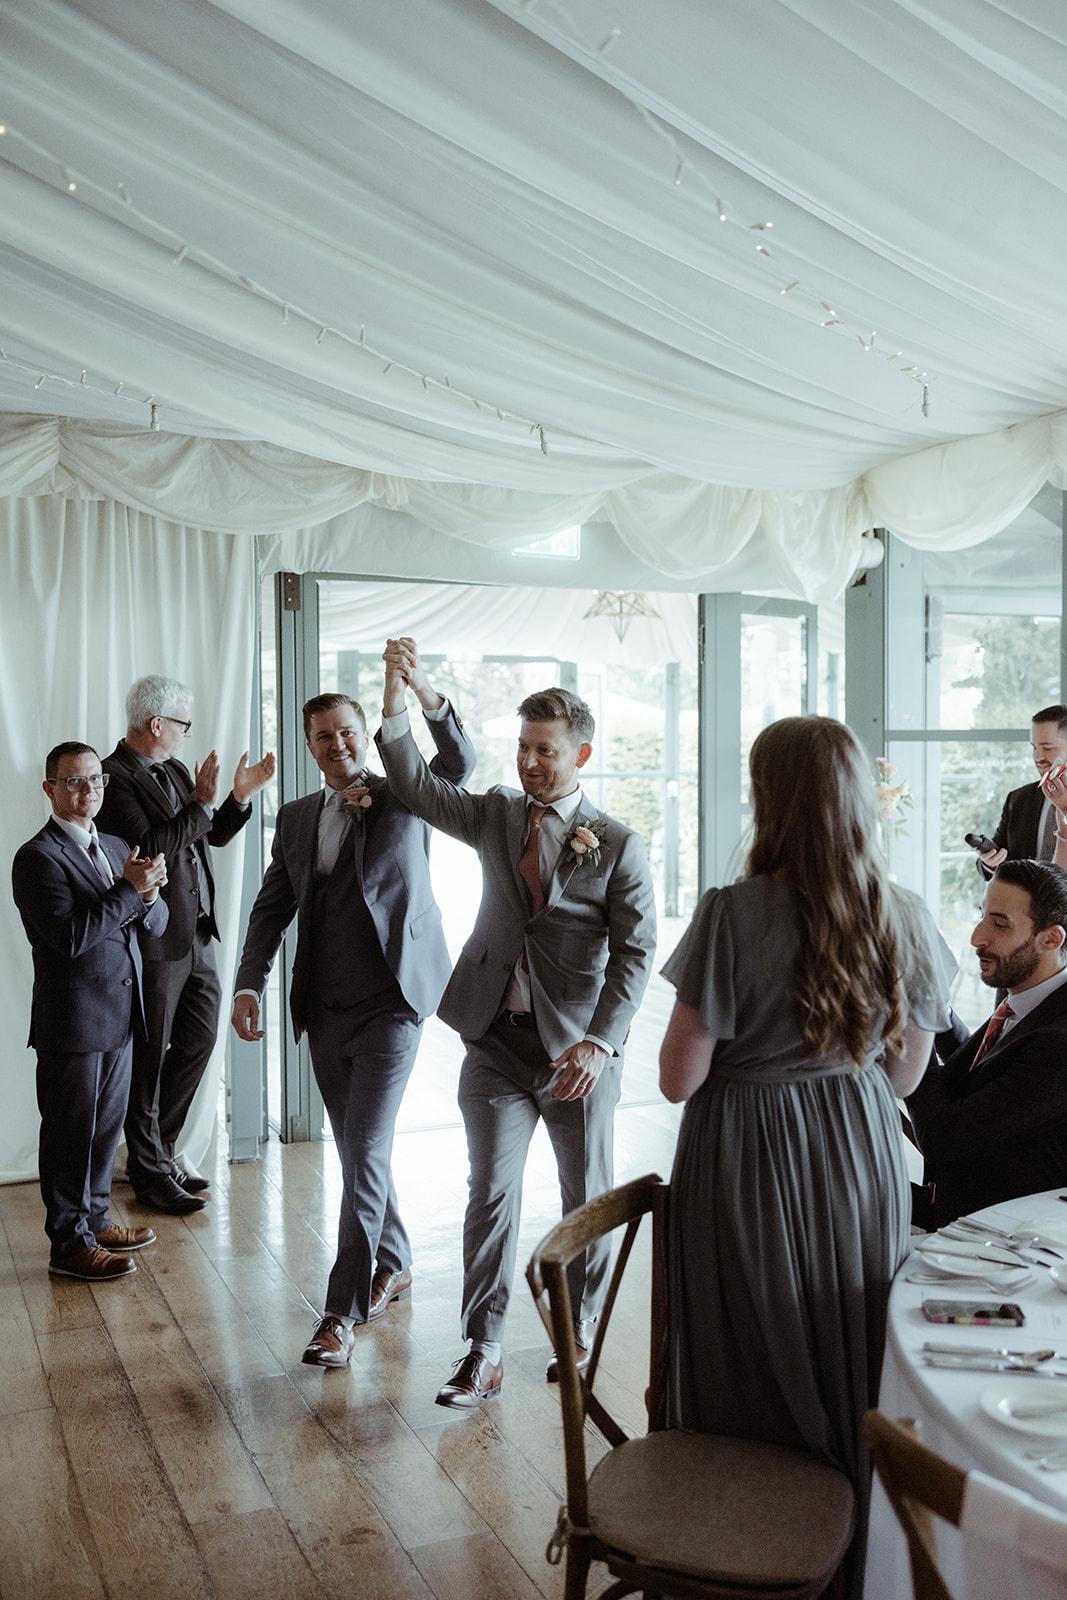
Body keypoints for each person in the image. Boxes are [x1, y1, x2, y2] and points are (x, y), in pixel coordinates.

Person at [658, 715, 952, 1598]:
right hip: (858, 1153)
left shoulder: (730, 913)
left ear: (766, 801)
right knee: (847, 1330)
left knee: (746, 1343)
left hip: (745, 1152)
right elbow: (903, 1078)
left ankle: (740, 1548)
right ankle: (848, 1550)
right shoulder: (899, 912)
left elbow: (678, 1078)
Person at [378, 639, 657, 1409]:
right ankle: (484, 1346)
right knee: (488, 1194)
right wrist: (398, 693)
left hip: (576, 1054)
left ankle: (579, 1325)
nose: (531, 762)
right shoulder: (498, 814)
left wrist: (601, 1042)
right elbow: (411, 782)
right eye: (523, 748)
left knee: (586, 1197)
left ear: (581, 753)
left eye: (546, 750)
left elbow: (636, 953)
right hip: (495, 1045)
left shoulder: (620, 844)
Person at [231, 679, 476, 1368]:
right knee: (356, 1150)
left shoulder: (404, 791)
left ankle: (340, 1312)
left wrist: (427, 700)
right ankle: (393, 1262)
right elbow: (271, 906)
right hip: (325, 1005)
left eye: (345, 732)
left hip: (394, 1003)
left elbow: (456, 765)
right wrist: (249, 983)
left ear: (364, 732)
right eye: (321, 737)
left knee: (363, 1152)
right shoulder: (300, 816)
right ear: (308, 748)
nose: (335, 746)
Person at [97, 674, 275, 1213]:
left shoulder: (174, 769)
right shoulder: (111, 777)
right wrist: (200, 802)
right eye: (182, 724)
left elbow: (208, 833)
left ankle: (158, 1152)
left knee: (198, 1040)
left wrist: (238, 797)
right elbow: (148, 847)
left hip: (196, 933)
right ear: (157, 724)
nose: (185, 733)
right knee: (150, 1055)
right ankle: (150, 1174)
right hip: (154, 939)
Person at [11, 742, 168, 1280]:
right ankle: (69, 1246)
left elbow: (157, 922)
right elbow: (69, 937)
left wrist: (148, 897)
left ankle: (96, 1219)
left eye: (96, 780)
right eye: (74, 781)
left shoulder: (117, 843)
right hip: (73, 1021)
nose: (88, 790)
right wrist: (130, 889)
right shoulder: (36, 858)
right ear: (50, 788)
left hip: (121, 1012)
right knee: (70, 1135)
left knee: (105, 1131)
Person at [908, 858, 1067, 1227]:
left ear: (1051, 938)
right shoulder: (1028, 998)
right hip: (958, 1204)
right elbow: (986, 1067)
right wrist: (939, 1011)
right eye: (983, 915)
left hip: (999, 1236)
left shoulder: (1059, 1042)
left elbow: (943, 1138)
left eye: (999, 924)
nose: (977, 937)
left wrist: (913, 1023)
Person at [977, 704, 1067, 876]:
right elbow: (995, 861)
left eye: (1047, 748)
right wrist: (990, 863)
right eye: (1034, 747)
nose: (1038, 757)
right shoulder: (1019, 799)